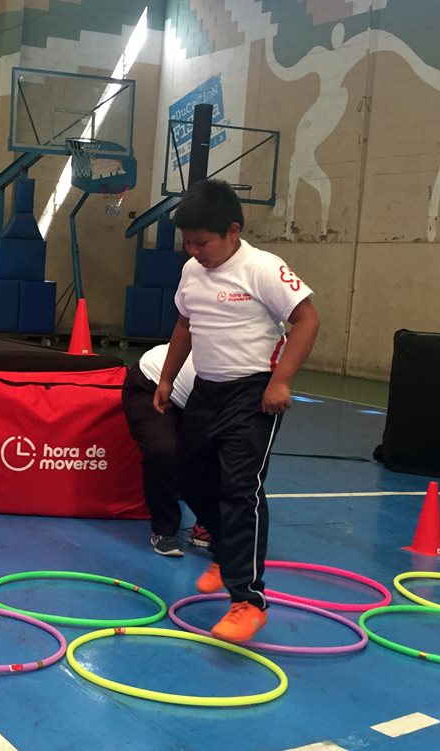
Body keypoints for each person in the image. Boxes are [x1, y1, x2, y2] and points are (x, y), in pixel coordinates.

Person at [153, 179, 319, 644]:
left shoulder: (263, 268)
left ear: (232, 231)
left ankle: (248, 599)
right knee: (188, 477)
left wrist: (281, 380)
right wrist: (167, 378)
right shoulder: (191, 272)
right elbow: (185, 324)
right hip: (206, 391)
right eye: (187, 242)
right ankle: (228, 551)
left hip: (252, 395)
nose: (194, 250)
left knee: (240, 489)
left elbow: (307, 319)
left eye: (202, 242)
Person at [121, 343, 209, 556]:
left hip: (194, 400)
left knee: (222, 454)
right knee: (164, 452)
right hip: (152, 384)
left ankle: (207, 523)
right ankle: (164, 528)